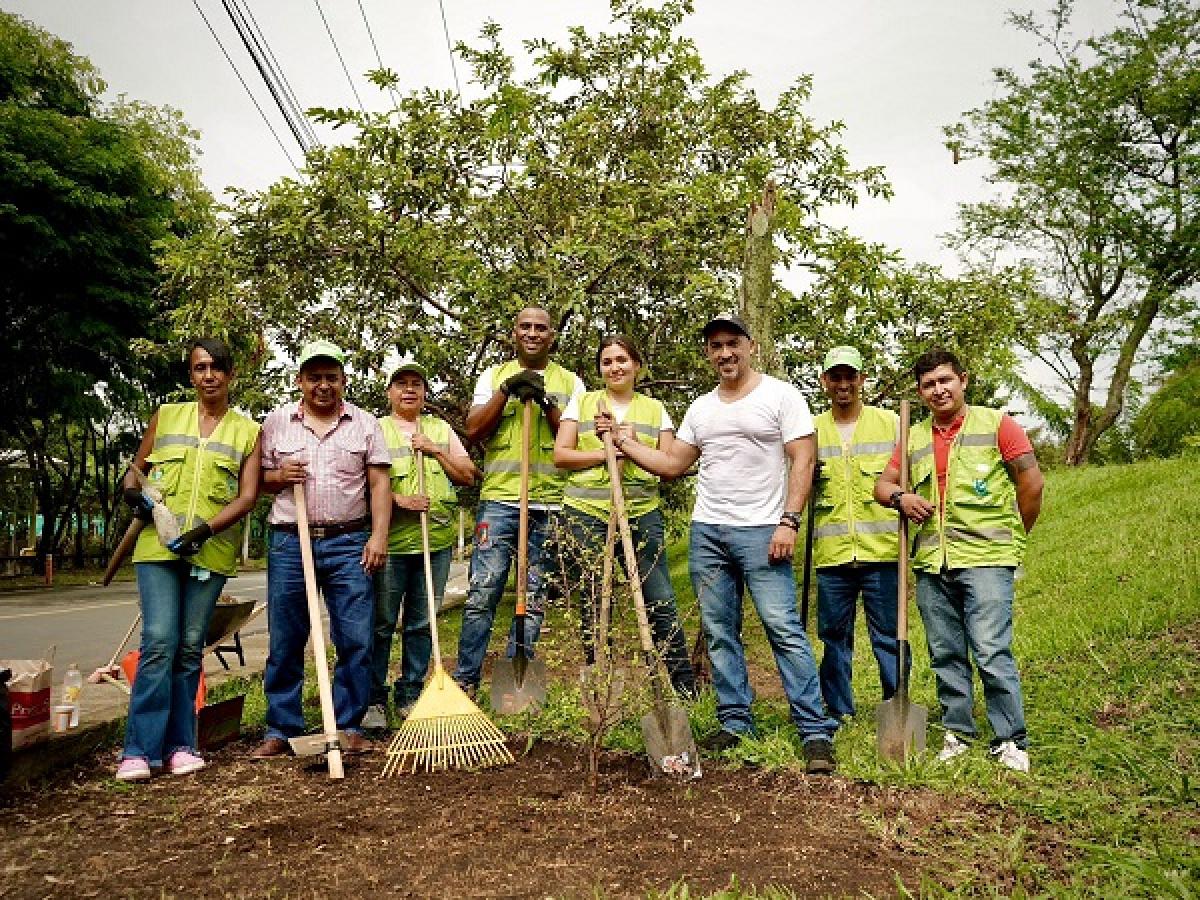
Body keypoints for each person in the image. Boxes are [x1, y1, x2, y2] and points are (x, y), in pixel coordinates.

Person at [616, 314, 840, 775]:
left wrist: (789, 522)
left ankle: (815, 730)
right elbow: (674, 462)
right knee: (720, 632)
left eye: (732, 343)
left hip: (764, 531)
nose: (724, 353)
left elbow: (803, 458)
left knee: (783, 629)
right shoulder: (701, 408)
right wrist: (624, 443)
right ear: (708, 353)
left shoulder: (781, 395)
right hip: (709, 533)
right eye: (715, 346)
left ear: (750, 345)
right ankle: (735, 721)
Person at [874, 348, 1044, 773]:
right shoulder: (912, 437)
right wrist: (902, 497)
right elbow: (882, 486)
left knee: (990, 649)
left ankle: (1010, 739)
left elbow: (1032, 484)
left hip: (987, 559)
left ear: (963, 381)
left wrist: (1012, 539)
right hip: (933, 562)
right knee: (946, 651)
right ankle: (959, 734)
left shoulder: (998, 425)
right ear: (920, 391)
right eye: (929, 384)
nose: (938, 390)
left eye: (945, 380)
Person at [115, 338, 261, 781]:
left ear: (231, 375)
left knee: (189, 647)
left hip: (210, 552)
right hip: (157, 549)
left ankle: (181, 745)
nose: (209, 376)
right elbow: (134, 473)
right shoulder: (167, 415)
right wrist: (133, 496)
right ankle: (139, 751)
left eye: (217, 367)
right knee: (159, 641)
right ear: (192, 375)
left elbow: (249, 495)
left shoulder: (248, 431)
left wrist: (206, 530)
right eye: (200, 368)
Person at [252, 340, 392, 759]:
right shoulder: (276, 423)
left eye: (331, 377)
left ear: (343, 381)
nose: (323, 386)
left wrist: (378, 535)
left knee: (355, 637)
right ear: (300, 381)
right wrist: (277, 476)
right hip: (290, 542)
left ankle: (347, 723)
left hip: (350, 541)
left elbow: (380, 484)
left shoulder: (365, 424)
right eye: (315, 377)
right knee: (287, 637)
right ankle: (282, 727)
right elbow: (253, 483)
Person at [553, 335, 696, 697]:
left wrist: (630, 444)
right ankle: (601, 681)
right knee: (592, 599)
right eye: (606, 361)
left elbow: (668, 465)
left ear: (636, 365)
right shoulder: (582, 403)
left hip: (640, 512)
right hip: (585, 512)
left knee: (659, 598)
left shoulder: (654, 409)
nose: (614, 367)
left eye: (621, 360)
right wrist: (606, 453)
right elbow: (561, 455)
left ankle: (684, 688)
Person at [453, 307, 585, 695]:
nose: (532, 333)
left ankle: (515, 681)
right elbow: (473, 429)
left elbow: (575, 438)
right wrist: (506, 391)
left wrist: (547, 404)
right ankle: (466, 680)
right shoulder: (493, 376)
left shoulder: (571, 383)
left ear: (552, 335)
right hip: (500, 501)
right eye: (525, 327)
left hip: (550, 504)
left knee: (534, 597)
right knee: (483, 591)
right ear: (514, 332)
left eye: (540, 328)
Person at [363, 362, 476, 729]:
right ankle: (374, 699)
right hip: (392, 544)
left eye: (416, 384)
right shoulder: (375, 429)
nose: (409, 390)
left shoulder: (440, 430)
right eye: (401, 384)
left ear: (425, 393)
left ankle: (410, 693)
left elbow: (467, 475)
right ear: (390, 392)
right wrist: (398, 499)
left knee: (422, 623)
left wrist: (435, 451)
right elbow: (358, 484)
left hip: (435, 544)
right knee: (381, 624)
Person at [811, 346, 906, 719]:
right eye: (835, 376)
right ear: (825, 382)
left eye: (850, 376)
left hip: (881, 552)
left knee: (889, 636)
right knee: (834, 638)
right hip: (832, 556)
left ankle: (895, 707)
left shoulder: (891, 423)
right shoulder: (811, 429)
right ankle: (837, 710)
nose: (843, 384)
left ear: (862, 379)